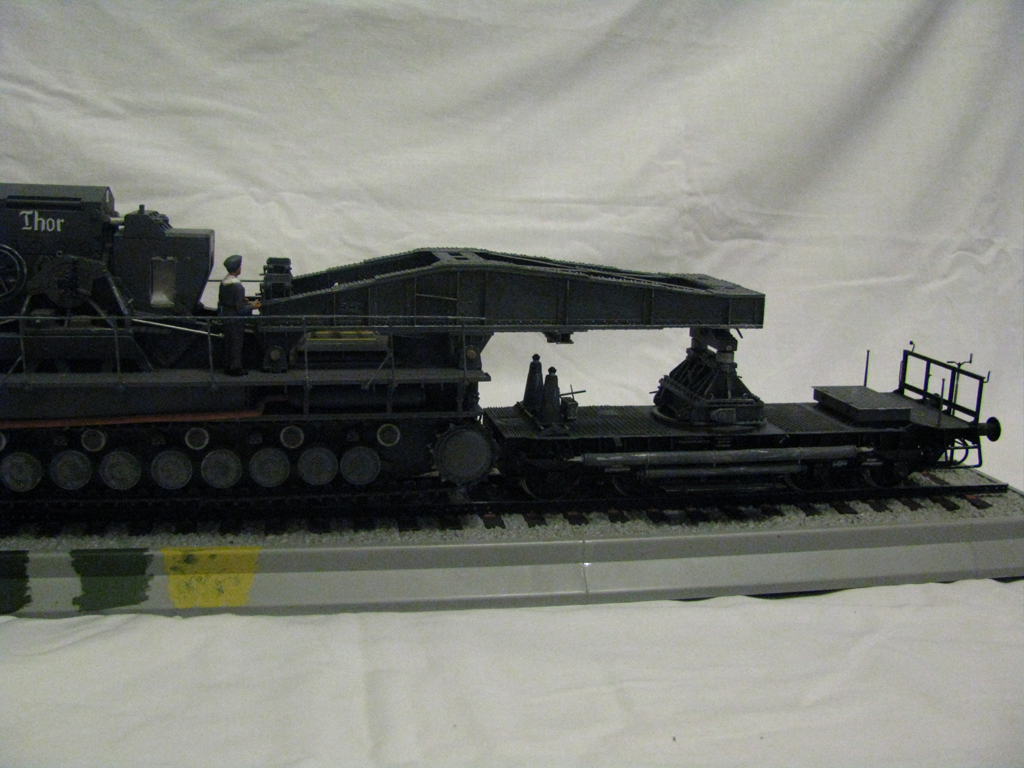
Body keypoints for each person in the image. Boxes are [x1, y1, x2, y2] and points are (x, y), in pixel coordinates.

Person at [217, 254, 260, 375]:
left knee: (228, 344)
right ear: (237, 268)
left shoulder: (224, 283)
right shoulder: (238, 287)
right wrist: (253, 306)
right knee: (236, 344)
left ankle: (228, 366)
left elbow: (224, 300)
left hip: (226, 317)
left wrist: (242, 300)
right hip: (235, 320)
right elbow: (240, 310)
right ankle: (235, 368)